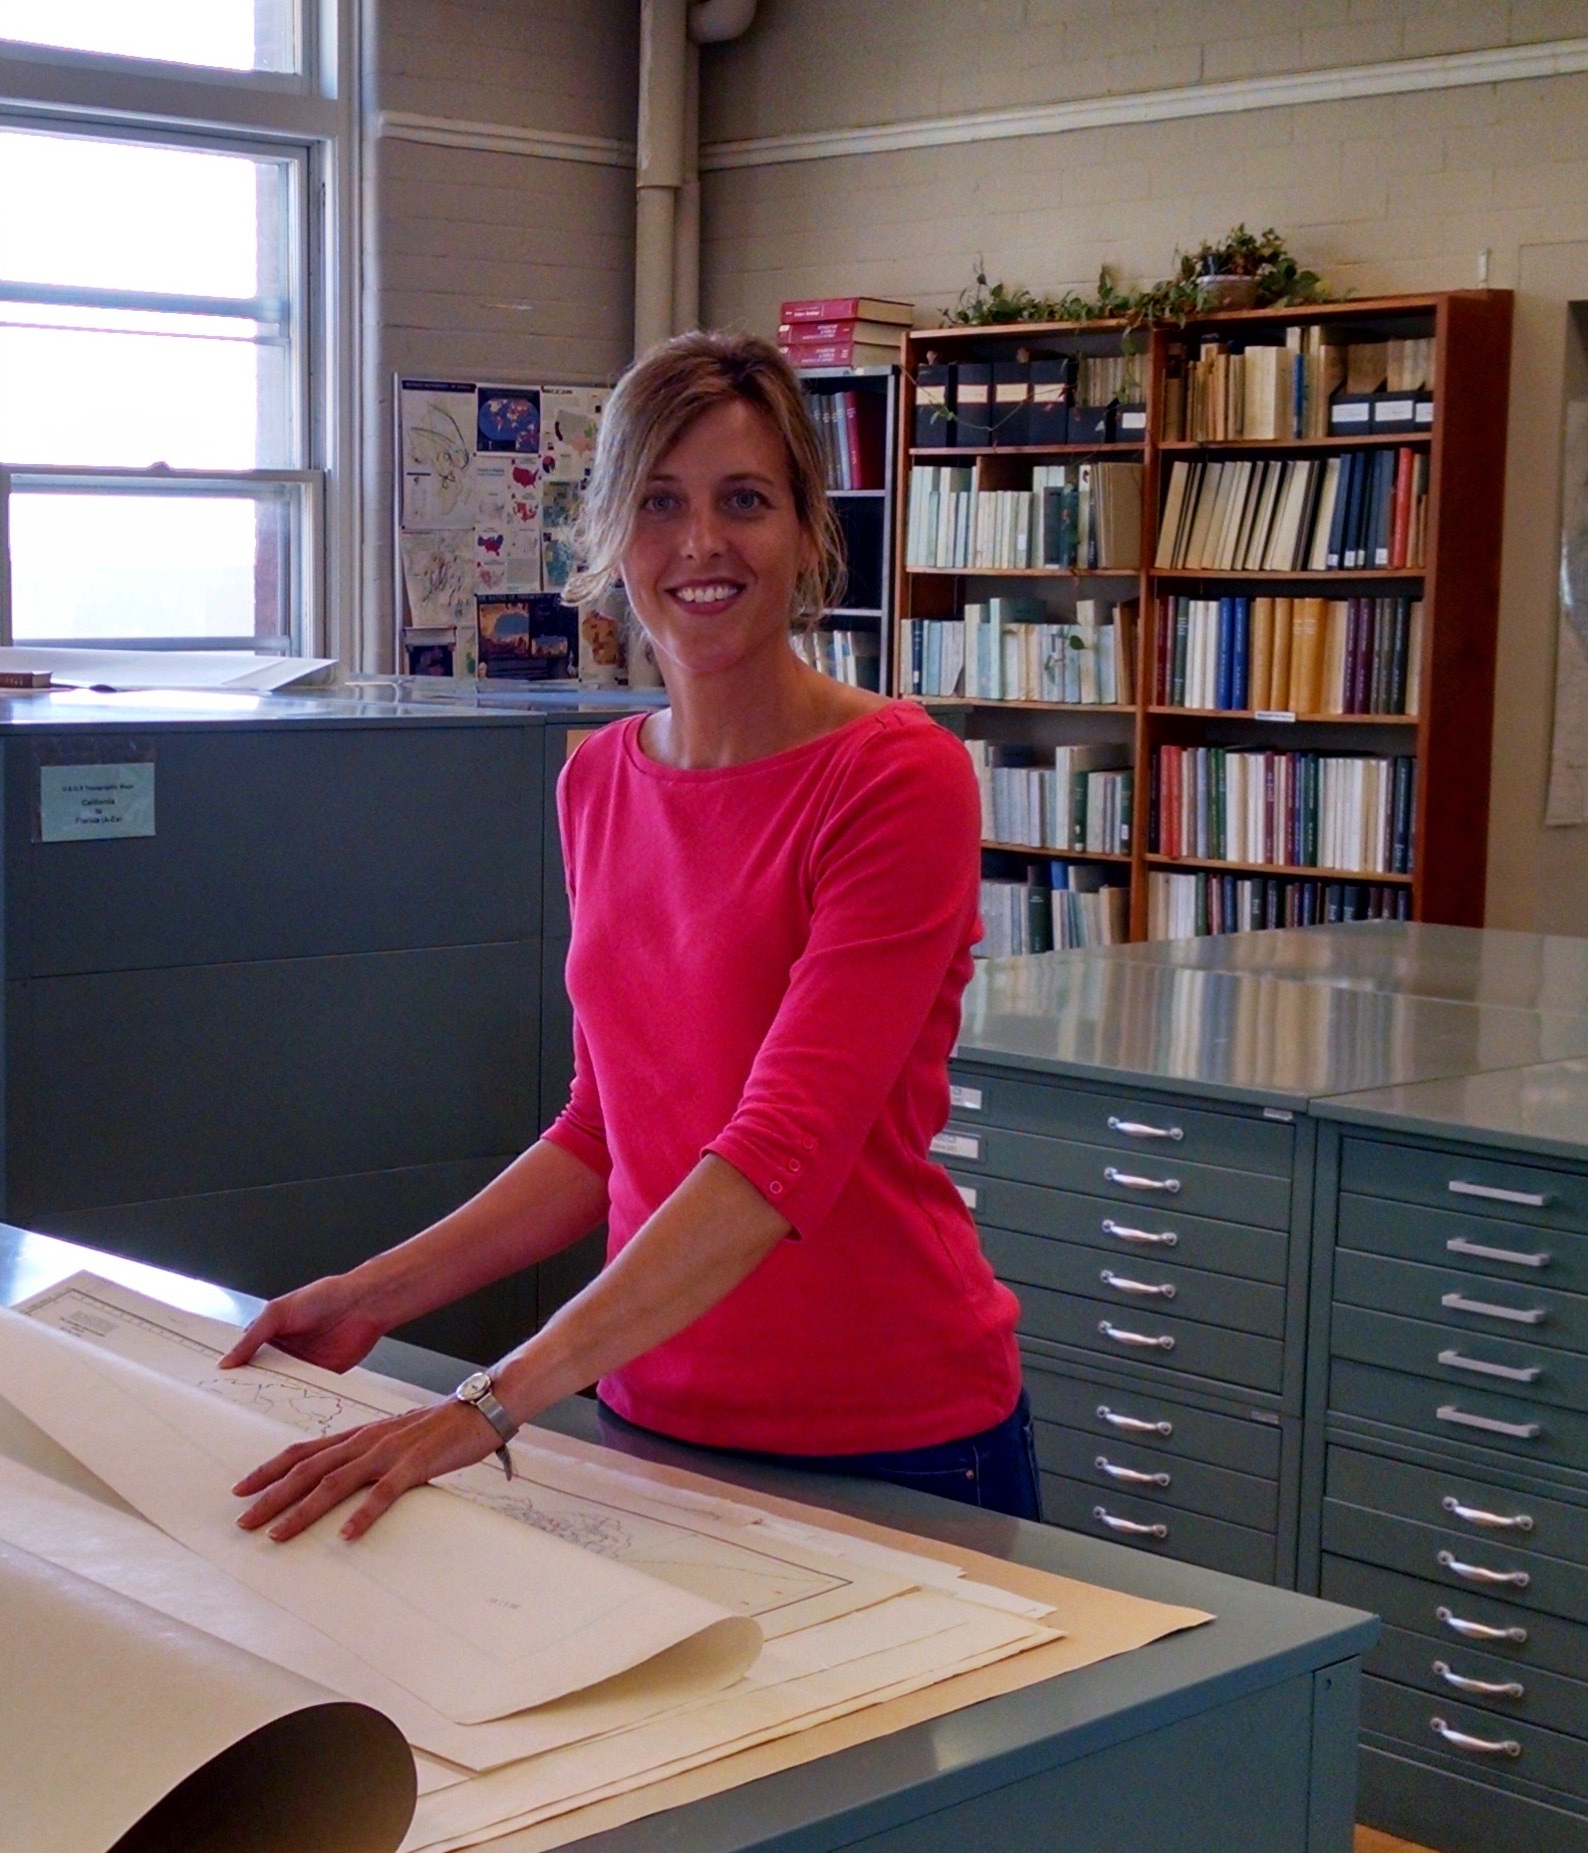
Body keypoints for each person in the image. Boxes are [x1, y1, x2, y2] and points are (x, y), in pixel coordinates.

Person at [227, 330, 1032, 1540]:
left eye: (743, 501)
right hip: (649, 1416)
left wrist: (489, 1403)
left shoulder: (894, 777)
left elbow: (778, 1155)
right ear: (608, 535)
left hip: (893, 1441)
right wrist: (365, 1296)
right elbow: (601, 1134)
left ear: (808, 531)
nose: (701, 544)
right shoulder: (596, 782)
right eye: (659, 503)